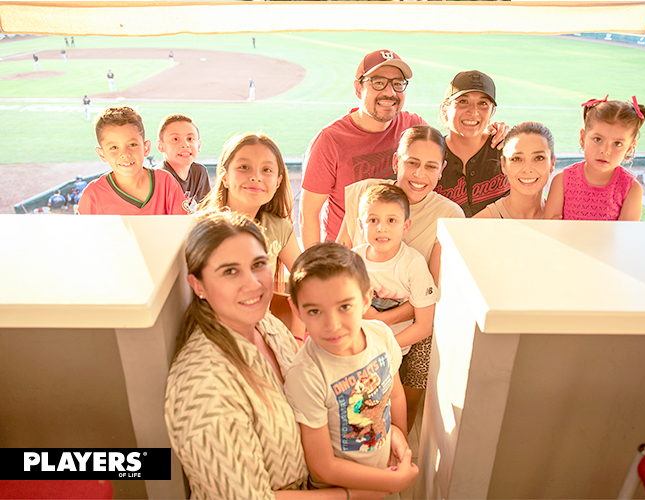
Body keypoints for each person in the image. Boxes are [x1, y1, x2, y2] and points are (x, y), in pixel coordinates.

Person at [165, 211, 393, 499]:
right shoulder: (202, 385)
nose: (253, 284)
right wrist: (355, 493)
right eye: (230, 271)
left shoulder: (264, 322)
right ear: (198, 285)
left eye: (258, 264)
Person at [337, 125, 463, 432]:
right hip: (360, 311)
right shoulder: (364, 195)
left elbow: (432, 293)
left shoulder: (449, 215)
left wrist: (382, 326)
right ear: (396, 161)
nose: (420, 174)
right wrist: (367, 318)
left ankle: (401, 431)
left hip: (411, 314)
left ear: (442, 170)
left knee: (423, 354)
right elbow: (339, 258)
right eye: (412, 163)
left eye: (431, 166)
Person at [284, 242, 418, 493]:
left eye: (344, 307)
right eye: (315, 311)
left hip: (384, 474)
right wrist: (389, 482)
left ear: (367, 298)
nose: (332, 325)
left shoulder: (381, 336)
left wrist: (400, 437)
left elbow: (396, 394)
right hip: (343, 490)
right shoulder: (306, 374)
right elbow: (322, 466)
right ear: (297, 310)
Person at [300, 49, 424, 248]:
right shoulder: (330, 140)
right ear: (358, 88)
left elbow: (448, 148)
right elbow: (309, 214)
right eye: (378, 82)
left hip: (396, 258)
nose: (390, 92)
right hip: (345, 258)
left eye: (398, 84)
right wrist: (319, 268)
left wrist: (490, 131)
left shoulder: (413, 127)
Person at [198, 133, 300, 278]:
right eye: (244, 167)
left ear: (277, 182)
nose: (256, 177)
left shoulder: (280, 229)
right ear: (224, 177)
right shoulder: (196, 227)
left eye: (267, 170)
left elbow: (308, 278)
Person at [354, 183, 437, 356]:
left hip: (393, 350)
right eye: (373, 220)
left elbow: (424, 326)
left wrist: (386, 347)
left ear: (406, 226)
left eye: (391, 220)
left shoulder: (413, 264)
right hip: (355, 346)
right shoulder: (353, 260)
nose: (381, 228)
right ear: (361, 226)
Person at [544, 96, 645, 221]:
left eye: (617, 143)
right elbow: (551, 227)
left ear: (630, 148)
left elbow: (625, 236)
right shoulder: (561, 181)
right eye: (598, 139)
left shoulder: (631, 189)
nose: (605, 150)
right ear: (583, 138)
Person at [77, 106, 188, 215]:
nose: (125, 154)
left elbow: (185, 229)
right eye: (114, 147)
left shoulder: (166, 182)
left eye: (132, 145)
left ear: (146, 148)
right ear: (102, 154)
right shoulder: (93, 195)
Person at [435, 70, 510, 217]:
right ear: (445, 109)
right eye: (463, 101)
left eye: (483, 103)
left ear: (491, 112)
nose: (473, 112)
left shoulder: (507, 150)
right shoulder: (432, 154)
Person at [474, 122, 556, 219]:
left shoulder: (564, 218)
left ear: (552, 163)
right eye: (517, 159)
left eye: (538, 158)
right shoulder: (481, 221)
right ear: (504, 165)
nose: (527, 169)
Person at [156, 113, 211, 213]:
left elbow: (210, 208)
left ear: (198, 145)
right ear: (160, 146)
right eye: (175, 139)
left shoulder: (198, 172)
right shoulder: (159, 178)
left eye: (190, 139)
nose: (185, 145)